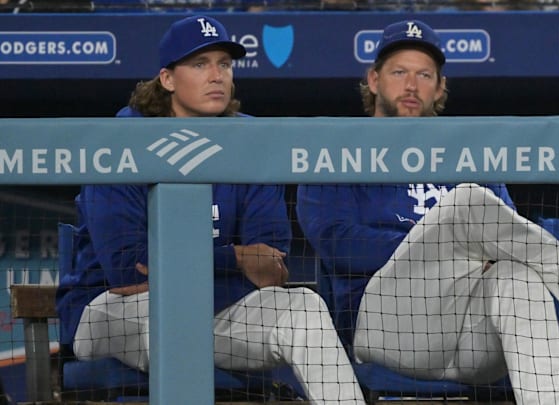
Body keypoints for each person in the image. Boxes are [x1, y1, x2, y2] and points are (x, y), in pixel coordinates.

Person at [296, 19, 559, 404]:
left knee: (517, 274)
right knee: (466, 203)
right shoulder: (338, 151)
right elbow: (337, 243)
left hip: (470, 331)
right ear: (373, 80)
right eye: (399, 72)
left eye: (425, 75)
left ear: (440, 88)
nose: (412, 85)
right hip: (387, 324)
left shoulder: (466, 152)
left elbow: (506, 238)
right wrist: (442, 243)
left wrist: (457, 248)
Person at [55, 15, 365, 404]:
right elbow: (126, 268)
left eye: (224, 64)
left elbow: (271, 265)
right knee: (168, 316)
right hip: (108, 311)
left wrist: (181, 264)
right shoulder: (124, 139)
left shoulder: (247, 138)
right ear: (167, 79)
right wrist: (234, 258)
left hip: (214, 303)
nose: (216, 75)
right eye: (200, 64)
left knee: (303, 305)